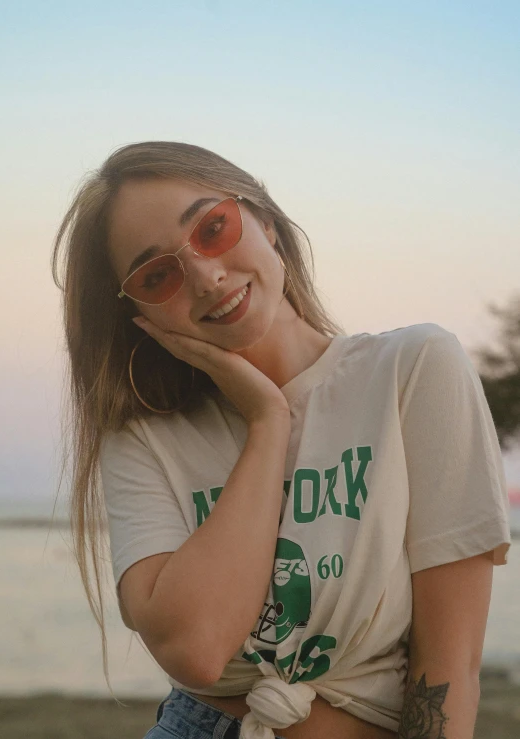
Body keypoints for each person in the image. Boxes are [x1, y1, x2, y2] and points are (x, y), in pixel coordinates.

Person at [52, 141, 511, 739]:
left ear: (264, 219)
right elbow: (196, 649)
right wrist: (268, 425)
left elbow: (448, 668)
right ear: (138, 313)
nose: (207, 276)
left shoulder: (413, 370)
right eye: (158, 275)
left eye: (213, 228)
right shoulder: (145, 441)